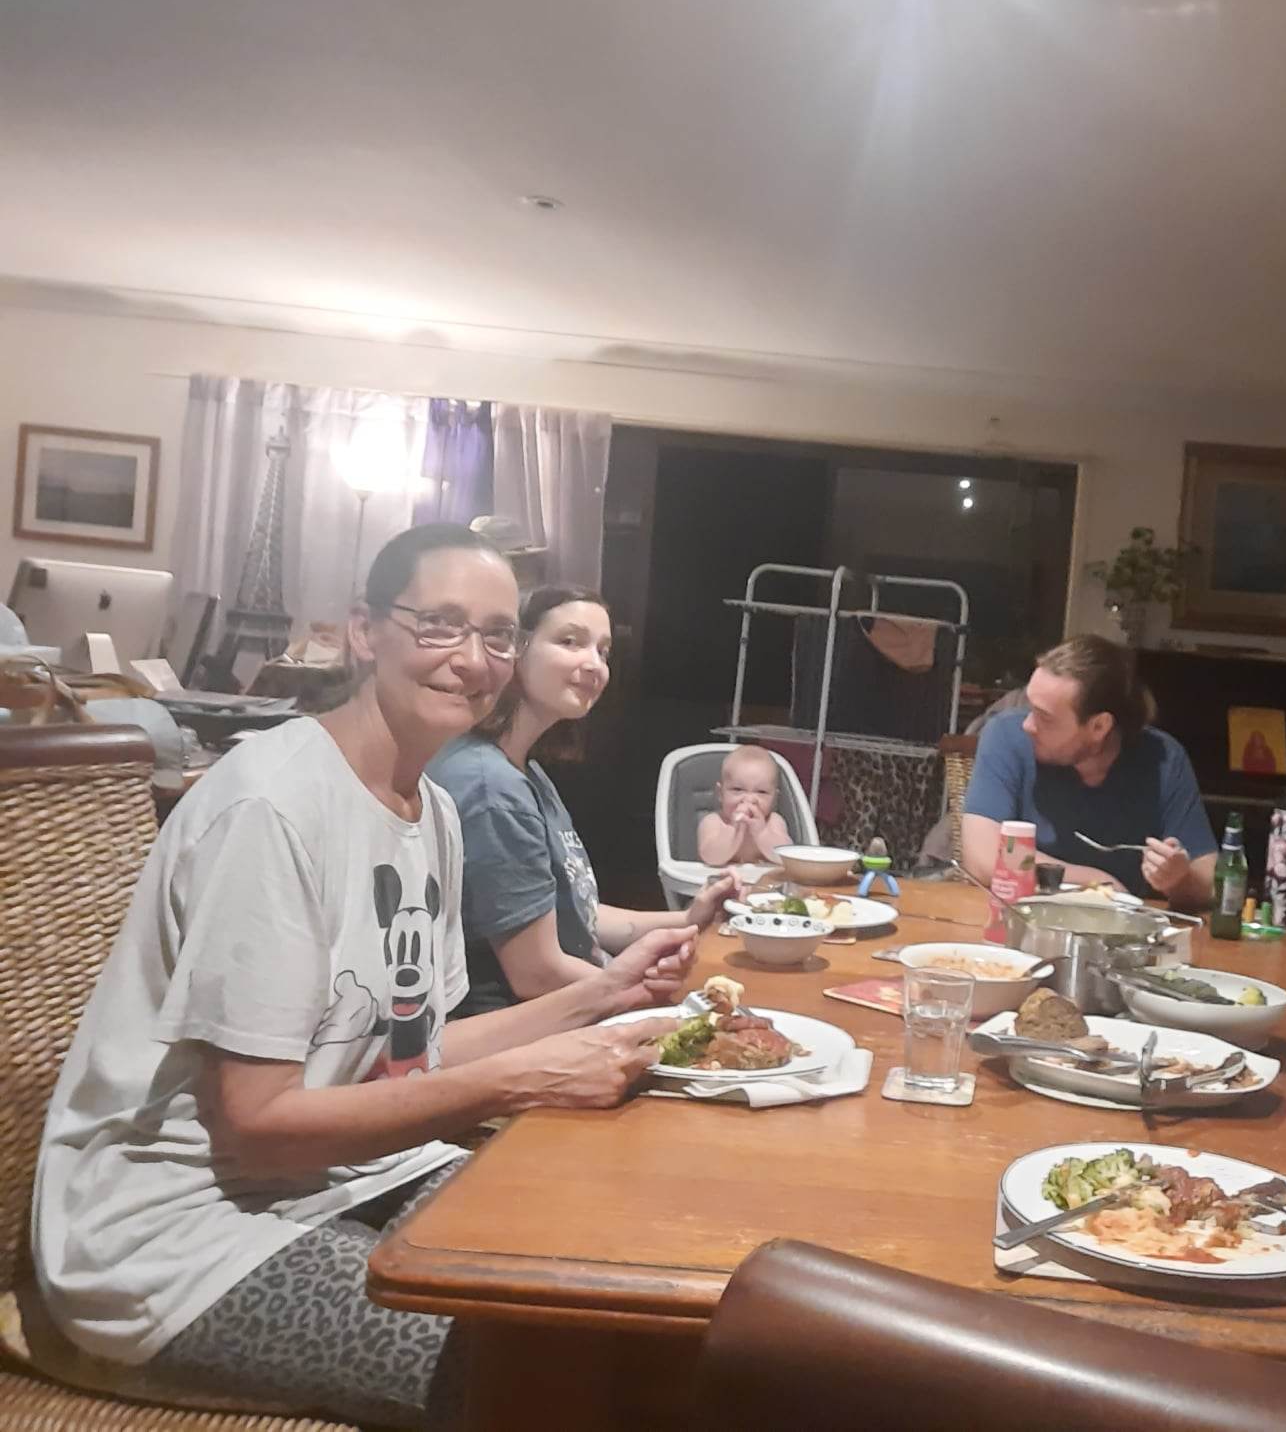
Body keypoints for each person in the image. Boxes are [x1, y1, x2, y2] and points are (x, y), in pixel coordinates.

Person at [32, 525, 697, 1429]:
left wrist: (606, 995)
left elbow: (411, 1053)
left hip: (337, 1176)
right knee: (540, 1361)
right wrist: (524, 1078)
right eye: (439, 624)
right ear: (363, 630)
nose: (473, 660)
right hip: (173, 1232)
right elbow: (258, 1129)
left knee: (621, 1268)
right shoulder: (273, 806)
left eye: (497, 635)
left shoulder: (435, 813)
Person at [427, 584, 736, 1016]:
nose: (594, 665)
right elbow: (536, 973)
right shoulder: (489, 787)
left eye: (603, 651)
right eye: (570, 641)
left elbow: (578, 914)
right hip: (529, 1028)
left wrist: (688, 918)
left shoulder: (524, 771)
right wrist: (667, 1004)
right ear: (516, 648)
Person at [961, 634, 1217, 909]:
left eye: (1044, 717)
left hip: (1118, 930)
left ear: (1099, 727)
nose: (1028, 725)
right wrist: (1095, 882)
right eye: (1030, 707)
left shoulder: (1163, 759)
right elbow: (982, 858)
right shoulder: (1006, 736)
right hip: (1017, 919)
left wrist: (1177, 879)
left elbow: (1210, 882)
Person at [697, 742, 794, 867]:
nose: (749, 799)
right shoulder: (714, 822)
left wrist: (762, 833)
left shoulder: (773, 822)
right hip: (724, 878)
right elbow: (711, 858)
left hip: (763, 879)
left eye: (761, 792)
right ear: (720, 793)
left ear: (774, 798)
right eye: (738, 789)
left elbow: (786, 857)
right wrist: (733, 830)